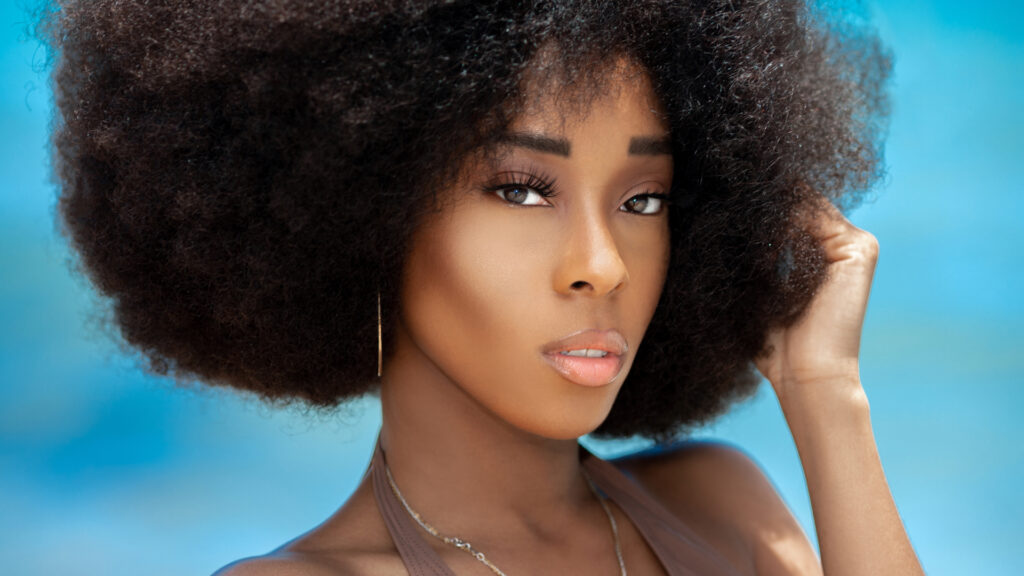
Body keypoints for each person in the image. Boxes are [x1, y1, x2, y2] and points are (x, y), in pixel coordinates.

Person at [38, 0, 924, 574]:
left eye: (643, 199)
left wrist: (825, 397)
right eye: (522, 190)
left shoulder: (724, 509)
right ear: (363, 208)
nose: (603, 262)